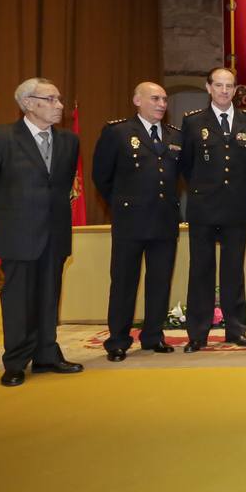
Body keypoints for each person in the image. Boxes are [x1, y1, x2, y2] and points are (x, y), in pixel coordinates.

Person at [0, 77, 84, 386]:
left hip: (55, 233)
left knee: (49, 296)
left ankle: (47, 354)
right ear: (28, 103)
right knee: (18, 300)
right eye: (51, 99)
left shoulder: (69, 142)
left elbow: (60, 187)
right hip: (17, 234)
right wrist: (9, 216)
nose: (59, 105)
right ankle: (16, 361)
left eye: (59, 99)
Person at [91, 81, 181, 361]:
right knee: (124, 282)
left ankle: (153, 336)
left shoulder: (173, 134)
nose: (162, 104)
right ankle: (118, 340)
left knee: (160, 281)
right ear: (137, 100)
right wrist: (122, 204)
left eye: (165, 99)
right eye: (155, 98)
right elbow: (101, 176)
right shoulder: (117, 132)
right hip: (130, 221)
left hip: (165, 220)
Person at [179, 67, 246, 351]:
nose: (224, 91)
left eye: (230, 86)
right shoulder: (192, 122)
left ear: (236, 90)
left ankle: (235, 329)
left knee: (233, 271)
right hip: (203, 207)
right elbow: (186, 167)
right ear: (208, 87)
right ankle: (198, 333)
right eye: (219, 85)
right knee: (200, 270)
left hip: (236, 207)